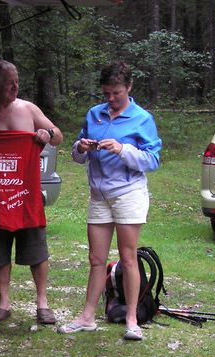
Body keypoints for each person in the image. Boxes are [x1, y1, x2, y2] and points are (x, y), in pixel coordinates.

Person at [57, 61, 162, 341]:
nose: (111, 98)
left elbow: (152, 160)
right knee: (96, 259)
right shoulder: (95, 114)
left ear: (129, 87)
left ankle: (132, 320)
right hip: (99, 195)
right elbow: (77, 155)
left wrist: (122, 149)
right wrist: (81, 147)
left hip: (128, 194)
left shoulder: (142, 118)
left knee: (128, 257)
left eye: (117, 93)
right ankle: (87, 317)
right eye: (106, 93)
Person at [0, 60, 63, 326]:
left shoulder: (28, 109)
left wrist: (47, 133)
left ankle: (42, 303)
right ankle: (3, 303)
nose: (15, 87)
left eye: (17, 82)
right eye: (9, 83)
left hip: (26, 195)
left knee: (36, 250)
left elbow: (58, 136)